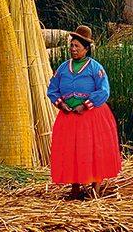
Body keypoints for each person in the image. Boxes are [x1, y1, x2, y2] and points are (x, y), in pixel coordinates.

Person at [46, 25, 122, 199]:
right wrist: (60, 104)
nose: (73, 49)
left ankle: (95, 188)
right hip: (69, 117)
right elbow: (52, 89)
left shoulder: (95, 68)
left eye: (77, 46)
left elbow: (104, 91)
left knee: (94, 149)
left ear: (86, 49)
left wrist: (85, 105)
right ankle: (75, 188)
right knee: (72, 151)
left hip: (92, 116)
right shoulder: (63, 68)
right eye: (71, 45)